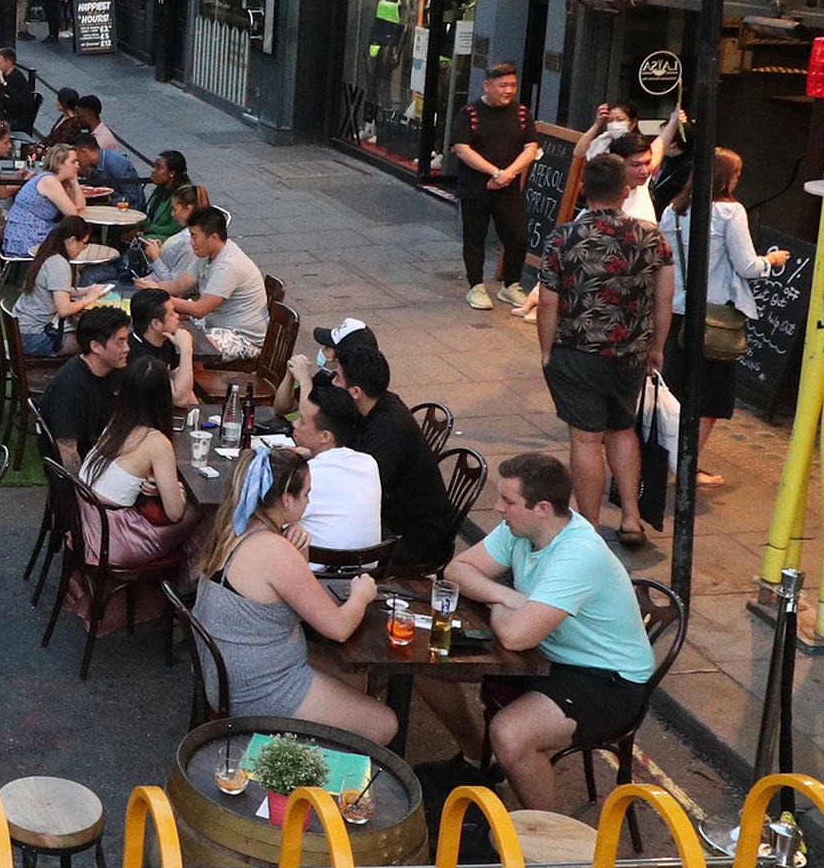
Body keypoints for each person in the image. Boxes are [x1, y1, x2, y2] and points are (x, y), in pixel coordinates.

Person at [428, 453, 662, 808]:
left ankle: (549, 845)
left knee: (510, 735)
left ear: (541, 508)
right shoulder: (520, 529)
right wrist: (508, 596)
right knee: (426, 666)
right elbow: (457, 570)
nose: (497, 508)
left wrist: (496, 605)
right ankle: (477, 760)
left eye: (507, 500)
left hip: (607, 678)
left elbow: (515, 636)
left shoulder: (578, 554)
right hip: (547, 654)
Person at [186, 446, 395, 738]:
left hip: (231, 670)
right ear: (286, 499)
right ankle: (308, 773)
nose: (309, 501)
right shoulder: (274, 550)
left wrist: (301, 554)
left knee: (354, 679)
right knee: (384, 724)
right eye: (306, 494)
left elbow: (287, 599)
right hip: (258, 687)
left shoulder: (236, 528)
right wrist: (362, 592)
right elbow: (338, 628)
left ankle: (319, 750)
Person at [527, 152, 672, 551]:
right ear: (625, 192)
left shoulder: (563, 238)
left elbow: (549, 303)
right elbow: (665, 299)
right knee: (622, 429)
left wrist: (545, 351)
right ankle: (630, 515)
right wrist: (656, 347)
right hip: (629, 354)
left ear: (585, 190)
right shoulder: (652, 238)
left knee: (587, 440)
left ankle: (588, 527)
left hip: (577, 351)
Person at [661, 148, 790, 437]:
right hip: (712, 315)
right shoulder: (731, 212)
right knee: (709, 399)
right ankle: (687, 462)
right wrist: (770, 261)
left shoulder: (674, 209)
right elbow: (746, 266)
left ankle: (667, 454)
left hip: (675, 309)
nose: (739, 179)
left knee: (673, 391)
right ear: (725, 177)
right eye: (737, 173)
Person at [326, 340, 462, 569]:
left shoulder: (388, 428)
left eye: (338, 378)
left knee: (327, 538)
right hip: (394, 520)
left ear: (356, 392)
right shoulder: (370, 407)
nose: (333, 382)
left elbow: (362, 489)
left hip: (414, 539)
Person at [75, 349, 201, 584]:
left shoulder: (116, 422)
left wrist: (156, 487)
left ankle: (183, 585)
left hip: (85, 523)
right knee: (200, 513)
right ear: (163, 396)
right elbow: (175, 513)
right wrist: (181, 492)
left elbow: (124, 475)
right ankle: (189, 585)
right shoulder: (156, 443)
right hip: (111, 539)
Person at [452, 62, 537, 310]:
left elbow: (531, 147)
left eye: (512, 85)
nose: (508, 90)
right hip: (475, 187)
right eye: (502, 85)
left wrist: (508, 174)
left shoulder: (522, 114)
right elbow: (462, 149)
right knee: (475, 237)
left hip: (508, 187)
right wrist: (494, 172)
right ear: (487, 86)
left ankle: (511, 285)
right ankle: (476, 286)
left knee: (518, 236)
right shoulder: (469, 113)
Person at [288, 379, 383, 555]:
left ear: (325, 436)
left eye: (302, 421)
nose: (294, 424)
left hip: (316, 569)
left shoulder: (306, 475)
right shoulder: (369, 463)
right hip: (366, 569)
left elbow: (274, 517)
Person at [169, 208, 268, 375]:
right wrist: (153, 288)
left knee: (189, 347)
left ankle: (190, 392)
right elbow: (180, 284)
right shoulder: (206, 254)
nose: (191, 242)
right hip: (217, 323)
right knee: (171, 326)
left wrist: (163, 299)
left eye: (194, 237)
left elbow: (200, 310)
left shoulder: (227, 265)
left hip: (242, 337)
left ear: (213, 238)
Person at [37, 306, 133, 466]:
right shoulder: (69, 388)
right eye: (119, 342)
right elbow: (67, 452)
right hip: (89, 468)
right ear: (95, 347)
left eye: (127, 341)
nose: (127, 349)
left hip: (107, 454)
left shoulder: (115, 369)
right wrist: (83, 490)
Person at [12, 214, 107, 356]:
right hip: (34, 337)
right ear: (72, 240)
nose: (83, 249)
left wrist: (86, 290)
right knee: (96, 346)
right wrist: (89, 299)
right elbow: (64, 309)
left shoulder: (47, 253)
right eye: (84, 243)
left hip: (21, 330)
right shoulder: (59, 264)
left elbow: (58, 289)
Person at [0, 140, 91, 260]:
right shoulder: (49, 181)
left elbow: (81, 207)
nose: (77, 165)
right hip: (27, 238)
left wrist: (74, 181)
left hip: (31, 232)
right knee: (74, 241)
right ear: (59, 163)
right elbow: (73, 214)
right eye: (73, 162)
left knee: (74, 239)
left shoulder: (56, 180)